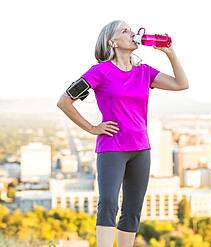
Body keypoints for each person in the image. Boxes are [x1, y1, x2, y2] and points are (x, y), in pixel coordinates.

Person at [57, 20, 188, 247]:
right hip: (112, 148)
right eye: (125, 31)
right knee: (108, 202)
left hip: (141, 149)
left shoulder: (144, 72)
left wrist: (170, 53)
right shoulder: (100, 71)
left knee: (133, 207)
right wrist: (92, 128)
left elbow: (181, 84)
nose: (133, 33)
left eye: (131, 29)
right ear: (112, 42)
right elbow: (64, 101)